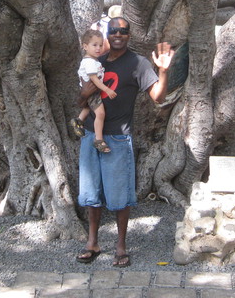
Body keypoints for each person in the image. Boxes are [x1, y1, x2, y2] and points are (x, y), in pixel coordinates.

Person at [75, 17, 174, 268]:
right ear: (108, 34)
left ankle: (120, 246)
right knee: (91, 193)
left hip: (118, 137)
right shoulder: (96, 59)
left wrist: (163, 70)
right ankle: (92, 242)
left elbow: (158, 97)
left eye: (124, 31)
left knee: (120, 196)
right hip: (90, 135)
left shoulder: (138, 63)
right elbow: (82, 98)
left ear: (129, 35)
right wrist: (86, 94)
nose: (118, 34)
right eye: (114, 30)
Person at [70, 29, 118, 153]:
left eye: (101, 45)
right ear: (85, 46)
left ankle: (78, 120)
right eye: (94, 45)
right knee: (100, 114)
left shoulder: (93, 60)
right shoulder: (90, 62)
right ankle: (98, 139)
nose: (98, 48)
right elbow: (95, 80)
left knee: (89, 107)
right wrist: (107, 90)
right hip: (92, 90)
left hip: (92, 91)